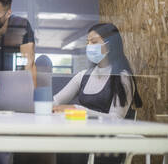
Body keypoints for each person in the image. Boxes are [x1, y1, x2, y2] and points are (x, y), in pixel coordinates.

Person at [53, 23, 142, 164]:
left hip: (106, 147)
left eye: (93, 42)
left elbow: (116, 119)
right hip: (82, 138)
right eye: (87, 42)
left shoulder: (122, 77)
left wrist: (81, 111)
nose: (89, 46)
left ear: (109, 45)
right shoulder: (83, 76)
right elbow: (56, 101)